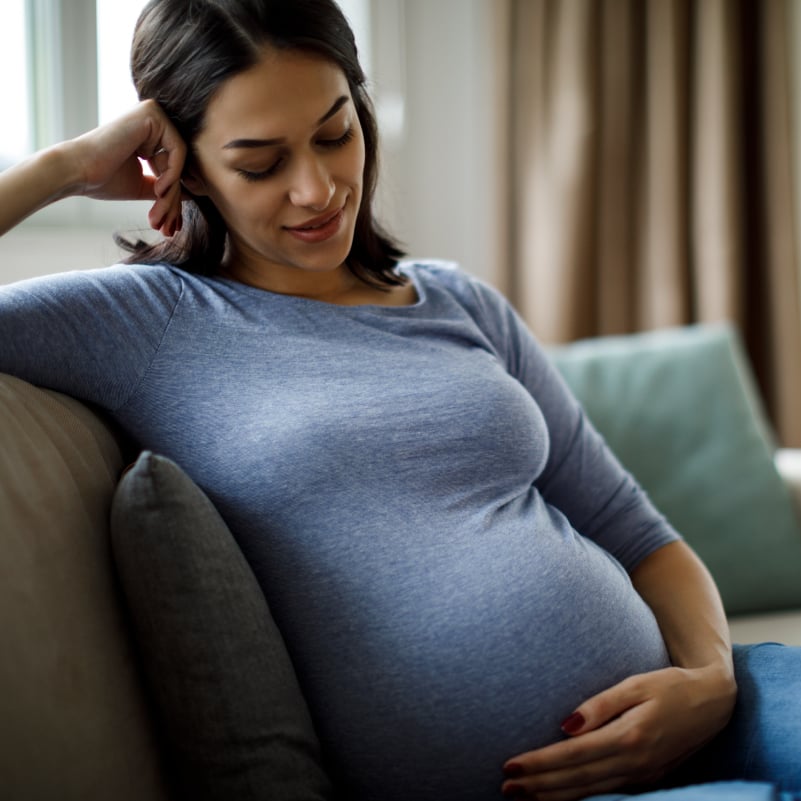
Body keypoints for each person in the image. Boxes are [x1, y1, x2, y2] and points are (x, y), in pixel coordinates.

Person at [0, 1, 798, 800]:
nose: (315, 189)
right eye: (259, 162)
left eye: (333, 132)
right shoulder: (145, 323)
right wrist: (63, 166)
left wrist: (710, 677)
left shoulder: (459, 301)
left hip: (708, 716)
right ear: (187, 166)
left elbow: (635, 530)